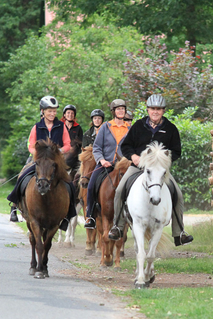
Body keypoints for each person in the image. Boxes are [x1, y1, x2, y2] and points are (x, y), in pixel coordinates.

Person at [107, 94, 194, 246]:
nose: (155, 112)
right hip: (138, 167)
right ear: (148, 110)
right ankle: (118, 227)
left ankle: (179, 232)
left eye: (159, 109)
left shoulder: (171, 129)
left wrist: (165, 161)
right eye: (153, 109)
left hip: (159, 171)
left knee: (178, 194)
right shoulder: (138, 126)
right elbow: (125, 146)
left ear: (163, 111)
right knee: (120, 190)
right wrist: (133, 157)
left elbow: (177, 151)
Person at [8, 95, 71, 222]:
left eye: (54, 111)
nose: (53, 113)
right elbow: (30, 145)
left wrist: (59, 151)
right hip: (38, 160)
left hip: (55, 161)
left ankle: (68, 213)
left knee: (70, 183)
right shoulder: (36, 127)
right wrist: (37, 154)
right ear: (43, 111)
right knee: (22, 175)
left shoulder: (61, 126)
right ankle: (14, 206)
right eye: (50, 111)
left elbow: (67, 144)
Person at [83, 99, 131, 230]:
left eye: (122, 109)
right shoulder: (105, 127)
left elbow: (133, 148)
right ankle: (90, 216)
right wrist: (102, 160)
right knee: (92, 185)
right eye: (118, 109)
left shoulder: (130, 129)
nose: (121, 111)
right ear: (114, 111)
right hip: (106, 164)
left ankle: (134, 215)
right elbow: (97, 147)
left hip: (123, 166)